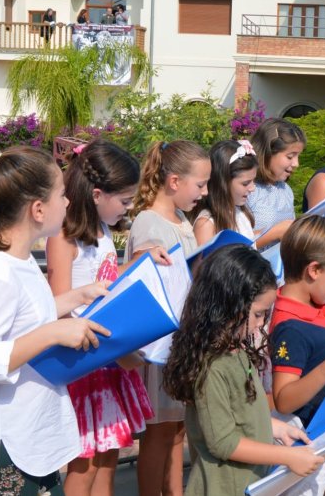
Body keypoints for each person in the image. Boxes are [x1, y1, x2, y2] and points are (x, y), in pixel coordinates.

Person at [0, 146, 111, 493]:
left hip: (31, 437)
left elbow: (25, 318)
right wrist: (53, 333)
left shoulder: (18, 260)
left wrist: (79, 296)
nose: (68, 203)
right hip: (8, 445)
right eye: (62, 195)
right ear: (38, 209)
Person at [46, 141, 168, 496]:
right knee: (83, 465)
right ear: (97, 194)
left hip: (108, 357)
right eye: (126, 201)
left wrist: (143, 261)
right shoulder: (64, 236)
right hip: (84, 361)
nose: (128, 210)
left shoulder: (101, 232)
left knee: (109, 458)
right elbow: (60, 303)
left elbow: (106, 277)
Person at [163, 246, 323, 495]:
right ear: (228, 306)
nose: (261, 325)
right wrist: (286, 457)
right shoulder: (213, 366)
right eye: (258, 315)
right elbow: (223, 442)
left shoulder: (236, 350)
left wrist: (276, 428)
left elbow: (240, 413)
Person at [128, 139, 211, 496]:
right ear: (174, 181)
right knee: (159, 434)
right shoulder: (149, 222)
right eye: (200, 184)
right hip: (161, 345)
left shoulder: (181, 219)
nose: (204, 193)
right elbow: (149, 282)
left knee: (177, 432)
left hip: (182, 340)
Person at [269, 216, 325, 428]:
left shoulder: (312, 305)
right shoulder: (291, 327)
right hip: (308, 436)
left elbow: (311, 354)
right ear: (314, 270)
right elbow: (283, 400)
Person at [246, 118, 306, 248]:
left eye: (298, 156)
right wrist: (275, 233)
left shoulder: (286, 190)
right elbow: (233, 243)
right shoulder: (248, 189)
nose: (296, 164)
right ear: (268, 153)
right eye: (290, 156)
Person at [193, 140, 258, 245]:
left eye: (253, 180)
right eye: (245, 183)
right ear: (223, 183)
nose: (252, 188)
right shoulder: (206, 225)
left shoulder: (240, 213)